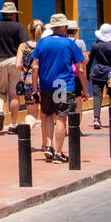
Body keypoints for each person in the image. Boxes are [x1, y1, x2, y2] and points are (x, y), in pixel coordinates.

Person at [32, 13, 86, 163]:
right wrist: (85, 90)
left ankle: (48, 145)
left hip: (46, 85)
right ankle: (58, 152)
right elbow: (80, 69)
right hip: (63, 85)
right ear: (65, 28)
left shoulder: (41, 43)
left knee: (48, 115)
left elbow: (35, 67)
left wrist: (35, 88)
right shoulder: (70, 44)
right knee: (61, 117)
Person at [0, 2, 29, 133]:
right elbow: (23, 45)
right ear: (14, 15)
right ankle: (13, 125)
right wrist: (21, 61)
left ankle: (0, 111)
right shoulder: (19, 27)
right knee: (14, 94)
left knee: (1, 92)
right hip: (14, 61)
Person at [16, 20, 45, 148]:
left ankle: (25, 129)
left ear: (29, 30)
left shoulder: (23, 46)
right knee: (46, 115)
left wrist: (24, 70)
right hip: (44, 81)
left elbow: (17, 65)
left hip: (28, 82)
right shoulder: (44, 45)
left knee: (31, 113)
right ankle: (46, 144)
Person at [88, 23, 111, 129]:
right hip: (109, 73)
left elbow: (90, 60)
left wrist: (88, 73)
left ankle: (96, 118)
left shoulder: (95, 45)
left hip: (97, 73)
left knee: (97, 97)